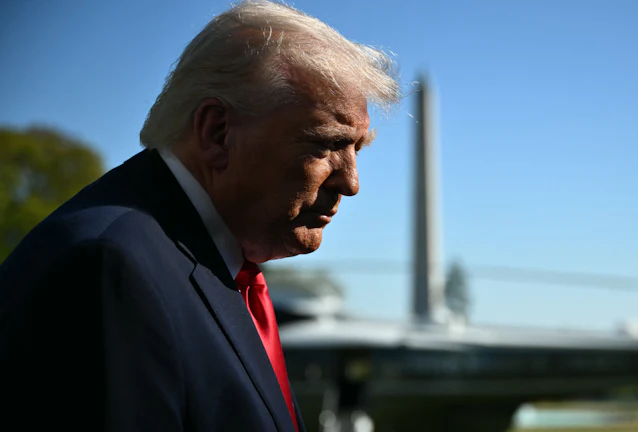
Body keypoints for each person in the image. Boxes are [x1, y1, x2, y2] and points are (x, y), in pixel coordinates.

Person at [0, 1, 400, 431]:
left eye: (357, 149)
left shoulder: (204, 262)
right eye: (325, 144)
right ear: (217, 132)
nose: (351, 182)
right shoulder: (112, 269)